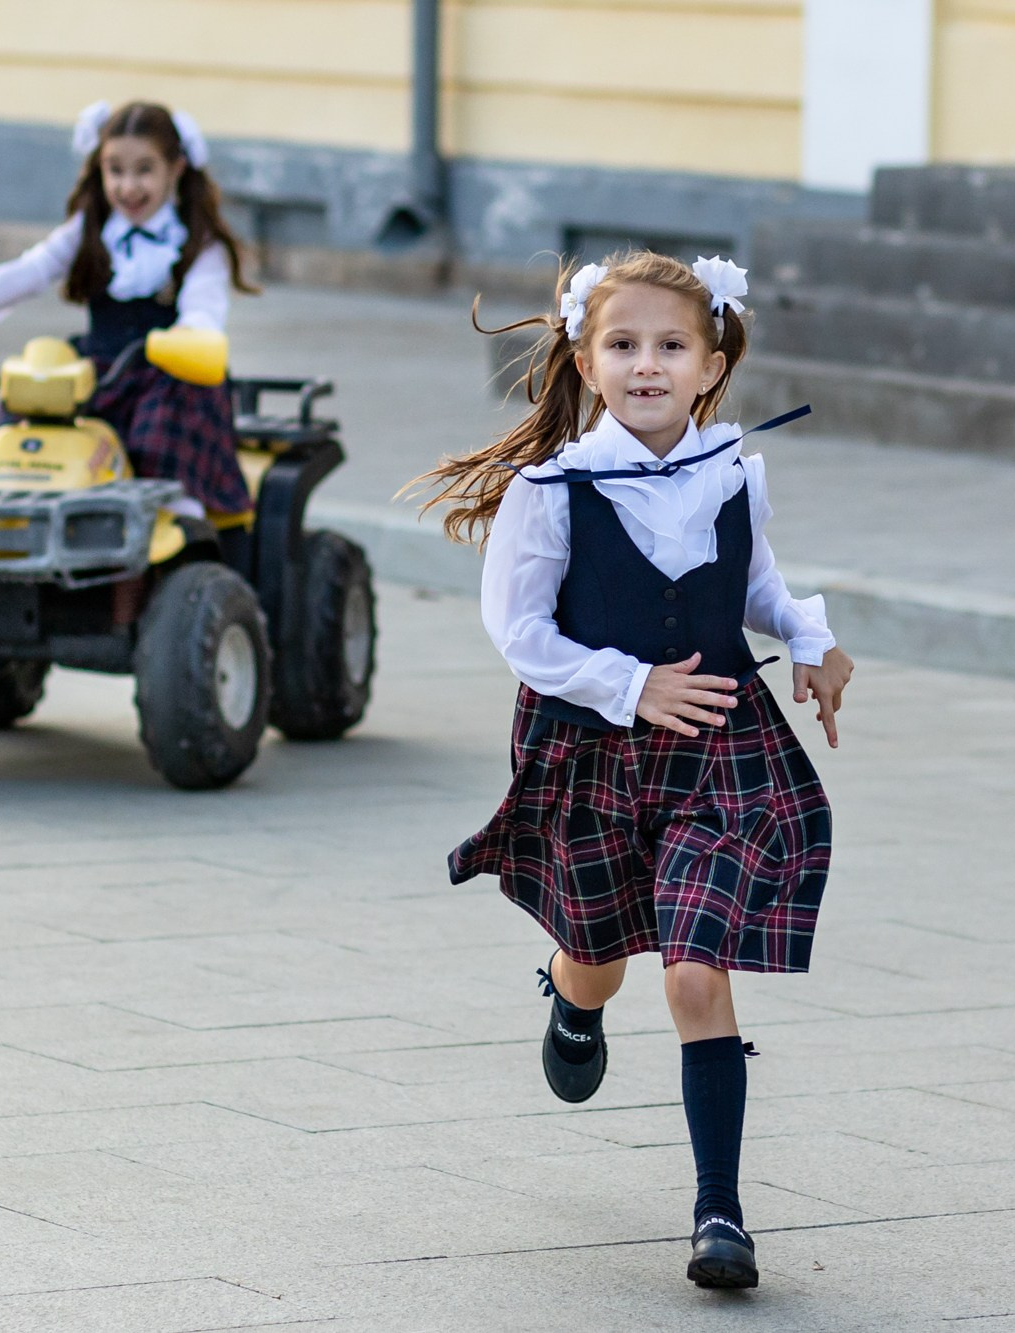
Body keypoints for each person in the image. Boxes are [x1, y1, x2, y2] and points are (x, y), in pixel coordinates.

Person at [415, 251, 855, 1290]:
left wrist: (806, 639)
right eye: (622, 345)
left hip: (716, 745)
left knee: (696, 971)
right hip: (591, 747)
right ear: (583, 357)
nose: (645, 364)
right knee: (599, 952)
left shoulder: (735, 467)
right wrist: (629, 686)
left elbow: (756, 584)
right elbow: (517, 633)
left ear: (710, 364)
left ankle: (719, 1215)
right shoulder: (548, 489)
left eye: (670, 346)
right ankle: (573, 998)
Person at [0, 99, 257, 519]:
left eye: (144, 170)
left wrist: (191, 332)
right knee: (25, 411)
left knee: (158, 453)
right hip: (102, 372)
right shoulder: (90, 229)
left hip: (169, 377)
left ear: (175, 169)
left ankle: (180, 534)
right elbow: (29, 271)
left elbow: (205, 304)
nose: (128, 187)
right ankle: (2, 512)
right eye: (115, 170)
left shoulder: (198, 243)